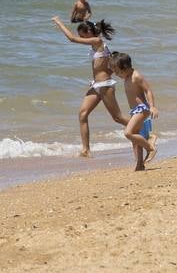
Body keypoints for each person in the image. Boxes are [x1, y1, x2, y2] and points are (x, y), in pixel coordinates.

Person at [51, 17, 127, 157]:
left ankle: (146, 132)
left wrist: (59, 23)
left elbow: (72, 39)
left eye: (82, 34)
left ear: (89, 32)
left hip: (105, 86)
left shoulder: (97, 41)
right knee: (83, 114)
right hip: (97, 85)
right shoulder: (96, 46)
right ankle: (86, 150)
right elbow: (109, 65)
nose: (81, 37)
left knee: (117, 118)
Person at [112, 52, 157, 171]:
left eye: (118, 71)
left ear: (125, 67)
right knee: (135, 139)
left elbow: (148, 90)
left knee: (128, 133)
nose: (116, 74)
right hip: (134, 111)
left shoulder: (136, 76)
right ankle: (139, 164)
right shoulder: (126, 77)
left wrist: (152, 107)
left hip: (142, 109)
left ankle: (150, 147)